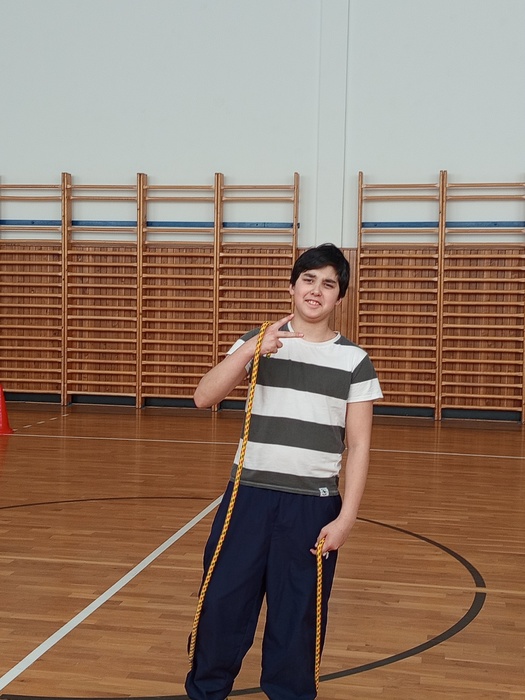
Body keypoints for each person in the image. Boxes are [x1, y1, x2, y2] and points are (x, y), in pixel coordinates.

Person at [185, 243, 383, 700]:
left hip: (312, 508)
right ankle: (206, 691)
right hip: (247, 498)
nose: (316, 290)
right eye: (308, 280)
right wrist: (251, 350)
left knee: (298, 619)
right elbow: (203, 397)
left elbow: (358, 445)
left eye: (328, 284)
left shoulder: (354, 361)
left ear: (340, 297)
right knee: (222, 605)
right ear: (291, 287)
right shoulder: (258, 341)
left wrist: (346, 518)